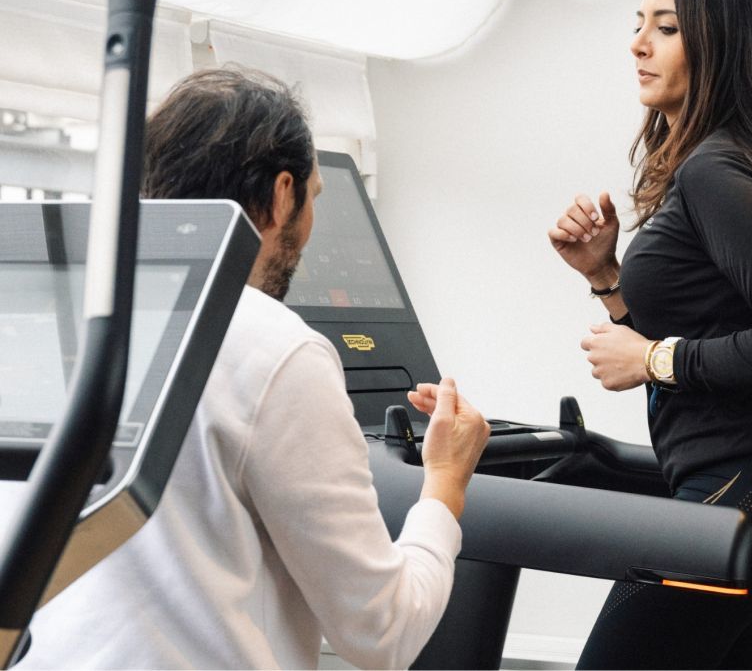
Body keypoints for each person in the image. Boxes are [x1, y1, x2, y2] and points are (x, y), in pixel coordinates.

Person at [20, 66, 490, 670]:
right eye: (314, 198)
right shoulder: (276, 347)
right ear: (282, 193)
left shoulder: (57, 318)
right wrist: (445, 484)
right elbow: (383, 632)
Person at [548, 0, 752, 670]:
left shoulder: (714, 170)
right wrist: (606, 278)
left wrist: (652, 359)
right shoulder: (731, 162)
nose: (637, 44)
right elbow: (709, 333)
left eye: (665, 28)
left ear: (718, 44)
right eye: (637, 26)